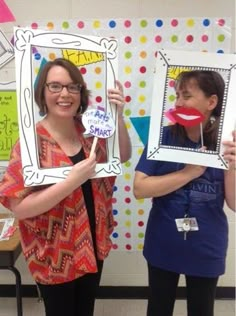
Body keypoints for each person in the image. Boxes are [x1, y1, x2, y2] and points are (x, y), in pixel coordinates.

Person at [0, 58, 131, 316]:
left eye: (73, 87)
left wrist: (120, 116)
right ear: (42, 92)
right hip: (54, 253)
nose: (65, 94)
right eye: (55, 86)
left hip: (93, 243)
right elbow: (20, 208)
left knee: (85, 310)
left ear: (81, 93)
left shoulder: (90, 129)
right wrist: (73, 180)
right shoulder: (30, 142)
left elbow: (122, 155)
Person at [133, 70, 235, 316]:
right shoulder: (163, 137)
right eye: (177, 95)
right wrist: (189, 173)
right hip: (163, 241)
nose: (178, 102)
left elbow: (234, 203)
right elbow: (140, 188)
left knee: (201, 309)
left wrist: (232, 168)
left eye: (186, 96)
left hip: (206, 246)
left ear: (211, 102)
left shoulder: (226, 143)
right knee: (158, 308)